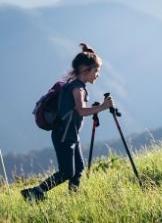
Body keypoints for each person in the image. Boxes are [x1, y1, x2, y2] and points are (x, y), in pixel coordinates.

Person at [21, 43, 114, 201]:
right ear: (86, 70)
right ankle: (35, 192)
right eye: (96, 70)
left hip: (69, 134)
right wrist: (103, 107)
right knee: (66, 171)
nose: (98, 74)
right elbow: (81, 111)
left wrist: (95, 108)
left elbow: (76, 109)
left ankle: (73, 200)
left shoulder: (76, 84)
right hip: (64, 136)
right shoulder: (77, 88)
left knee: (78, 169)